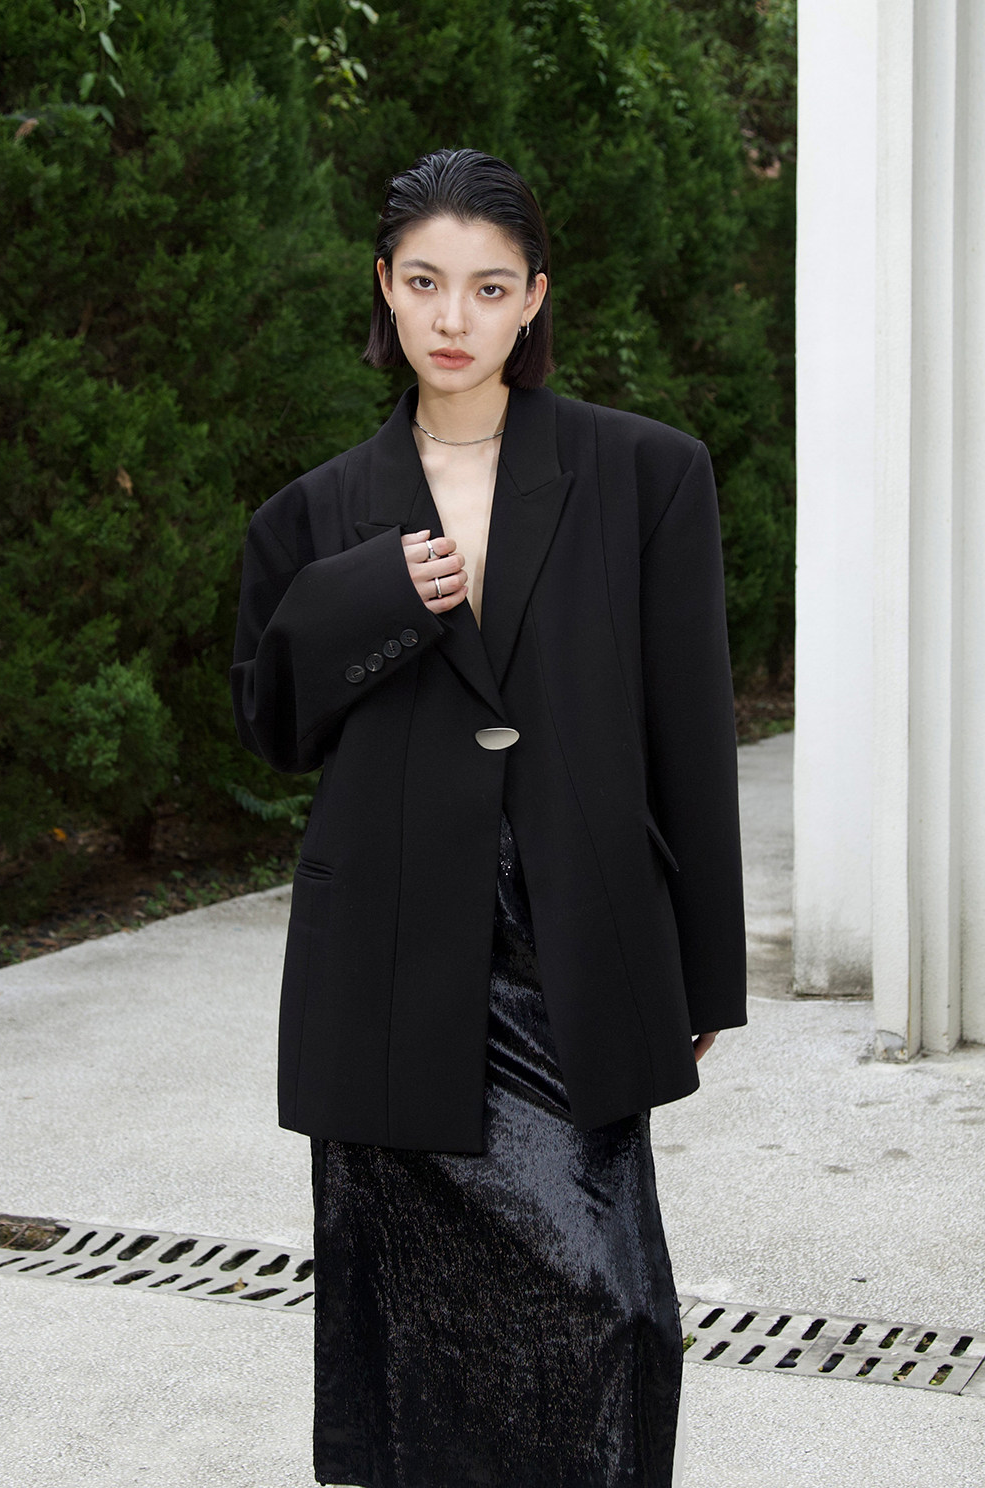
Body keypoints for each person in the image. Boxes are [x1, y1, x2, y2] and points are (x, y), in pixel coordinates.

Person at [231, 147, 746, 1488]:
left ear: (534, 298)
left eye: (489, 286)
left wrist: (705, 970)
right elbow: (273, 727)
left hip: (567, 946)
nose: (453, 318)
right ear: (385, 289)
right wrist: (373, 595)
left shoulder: (648, 474)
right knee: (418, 1337)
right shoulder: (313, 516)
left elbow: (691, 732)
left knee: (611, 1313)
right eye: (424, 283)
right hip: (387, 965)